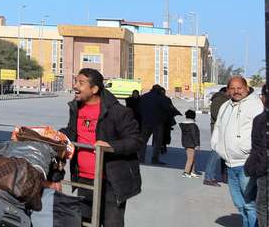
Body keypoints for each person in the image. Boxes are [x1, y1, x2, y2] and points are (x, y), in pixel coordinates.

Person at [60, 68, 142, 227]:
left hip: (111, 181)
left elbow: (135, 140)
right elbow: (72, 132)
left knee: (112, 223)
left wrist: (111, 145)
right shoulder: (76, 108)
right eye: (75, 81)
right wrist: (55, 135)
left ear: (95, 89)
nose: (75, 86)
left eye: (81, 83)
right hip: (84, 179)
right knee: (84, 222)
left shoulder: (118, 112)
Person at [211, 76, 263, 227]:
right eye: (232, 88)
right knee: (239, 204)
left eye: (239, 88)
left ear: (246, 88)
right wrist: (216, 145)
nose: (236, 91)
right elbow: (218, 127)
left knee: (249, 204)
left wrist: (247, 150)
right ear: (227, 90)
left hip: (245, 163)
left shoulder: (254, 105)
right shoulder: (225, 106)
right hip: (230, 164)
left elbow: (259, 131)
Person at [244, 85, 269, 226]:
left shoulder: (261, 119)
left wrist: (256, 169)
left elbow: (259, 148)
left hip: (264, 172)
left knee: (262, 207)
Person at [138, 84, 180, 164]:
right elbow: (168, 109)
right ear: (159, 90)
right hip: (158, 123)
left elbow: (139, 108)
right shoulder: (161, 98)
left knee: (143, 141)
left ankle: (141, 158)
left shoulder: (144, 97)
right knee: (157, 142)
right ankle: (155, 159)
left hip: (146, 122)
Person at [179, 109, 201, 177]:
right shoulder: (193, 125)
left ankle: (192, 171)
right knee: (190, 158)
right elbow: (194, 135)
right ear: (194, 116)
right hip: (191, 144)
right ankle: (186, 172)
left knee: (192, 158)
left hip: (186, 143)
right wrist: (197, 144)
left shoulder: (184, 125)